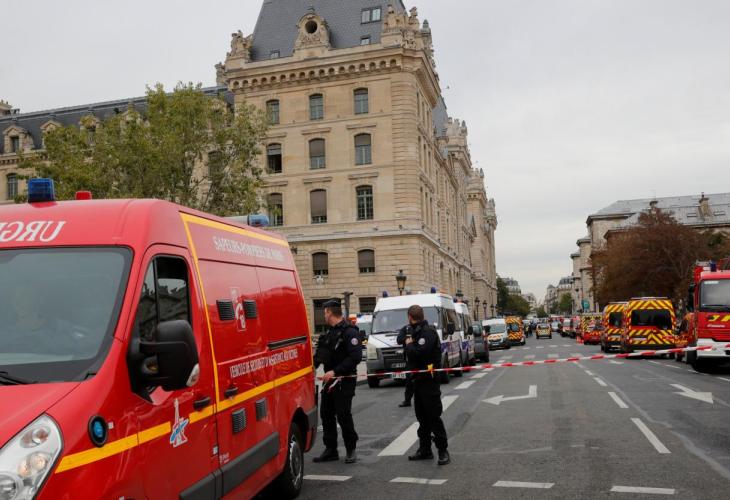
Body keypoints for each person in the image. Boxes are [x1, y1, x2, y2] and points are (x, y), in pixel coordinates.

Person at [312, 298, 363, 464]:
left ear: (329, 313)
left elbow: (355, 357)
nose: (323, 316)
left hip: (343, 380)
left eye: (324, 313)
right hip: (329, 381)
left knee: (343, 415)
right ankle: (331, 449)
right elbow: (319, 357)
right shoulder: (328, 334)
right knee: (326, 414)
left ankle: (350, 449)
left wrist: (335, 371)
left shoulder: (350, 332)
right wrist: (310, 368)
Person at [403, 305, 450, 465]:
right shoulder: (413, 331)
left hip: (429, 381)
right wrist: (409, 341)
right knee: (422, 418)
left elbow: (419, 353)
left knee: (433, 417)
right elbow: (401, 338)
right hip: (418, 381)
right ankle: (425, 449)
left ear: (410, 316)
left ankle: (443, 451)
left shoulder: (427, 332)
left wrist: (409, 345)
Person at [396, 324, 414, 407]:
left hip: (421, 359)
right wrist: (406, 339)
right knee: (409, 381)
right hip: (409, 360)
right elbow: (399, 339)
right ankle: (407, 400)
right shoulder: (406, 328)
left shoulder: (423, 328)